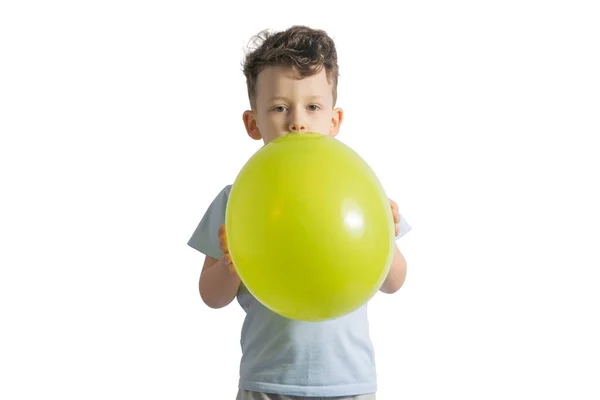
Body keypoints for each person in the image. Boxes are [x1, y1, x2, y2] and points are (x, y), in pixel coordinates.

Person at [187, 25, 412, 400]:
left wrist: (385, 239)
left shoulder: (359, 191)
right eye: (279, 107)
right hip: (267, 381)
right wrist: (230, 265)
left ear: (334, 120)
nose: (297, 121)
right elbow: (210, 297)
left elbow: (394, 282)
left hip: (348, 382)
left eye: (312, 106)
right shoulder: (237, 198)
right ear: (252, 122)